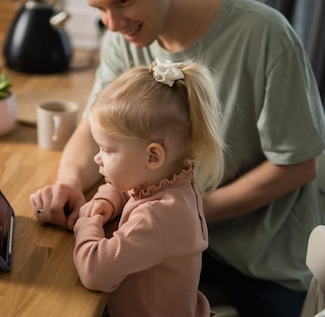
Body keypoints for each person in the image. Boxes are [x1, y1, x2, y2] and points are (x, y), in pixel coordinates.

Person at [29, 0, 325, 317]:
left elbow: (297, 166)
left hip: (263, 267)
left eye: (122, 1)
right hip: (176, 248)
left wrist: (185, 213)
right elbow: (92, 130)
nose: (113, 24)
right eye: (99, 8)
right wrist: (68, 183)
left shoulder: (266, 36)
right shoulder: (127, 40)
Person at [73, 59, 224, 317]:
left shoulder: (157, 218)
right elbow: (129, 186)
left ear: (153, 156)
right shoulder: (175, 180)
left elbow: (95, 272)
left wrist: (87, 225)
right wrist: (107, 200)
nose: (97, 158)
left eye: (107, 150)